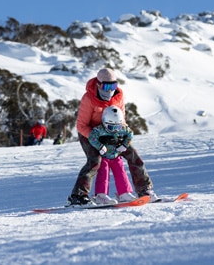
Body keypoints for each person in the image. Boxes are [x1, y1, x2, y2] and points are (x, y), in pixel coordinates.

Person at [67, 68, 156, 206]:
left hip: (112, 131)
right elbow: (81, 125)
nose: (110, 90)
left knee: (132, 154)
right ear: (98, 84)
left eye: (113, 86)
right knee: (95, 161)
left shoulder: (118, 96)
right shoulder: (89, 98)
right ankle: (78, 196)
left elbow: (122, 119)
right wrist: (97, 139)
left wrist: (120, 136)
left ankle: (144, 190)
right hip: (90, 134)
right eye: (106, 86)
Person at [89, 105, 136, 204]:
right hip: (104, 157)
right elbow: (92, 137)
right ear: (105, 122)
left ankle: (124, 193)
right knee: (103, 175)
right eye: (111, 127)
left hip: (116, 156)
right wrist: (100, 146)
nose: (115, 130)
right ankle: (101, 195)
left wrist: (125, 144)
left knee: (121, 173)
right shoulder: (100, 130)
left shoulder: (123, 128)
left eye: (117, 127)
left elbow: (130, 134)